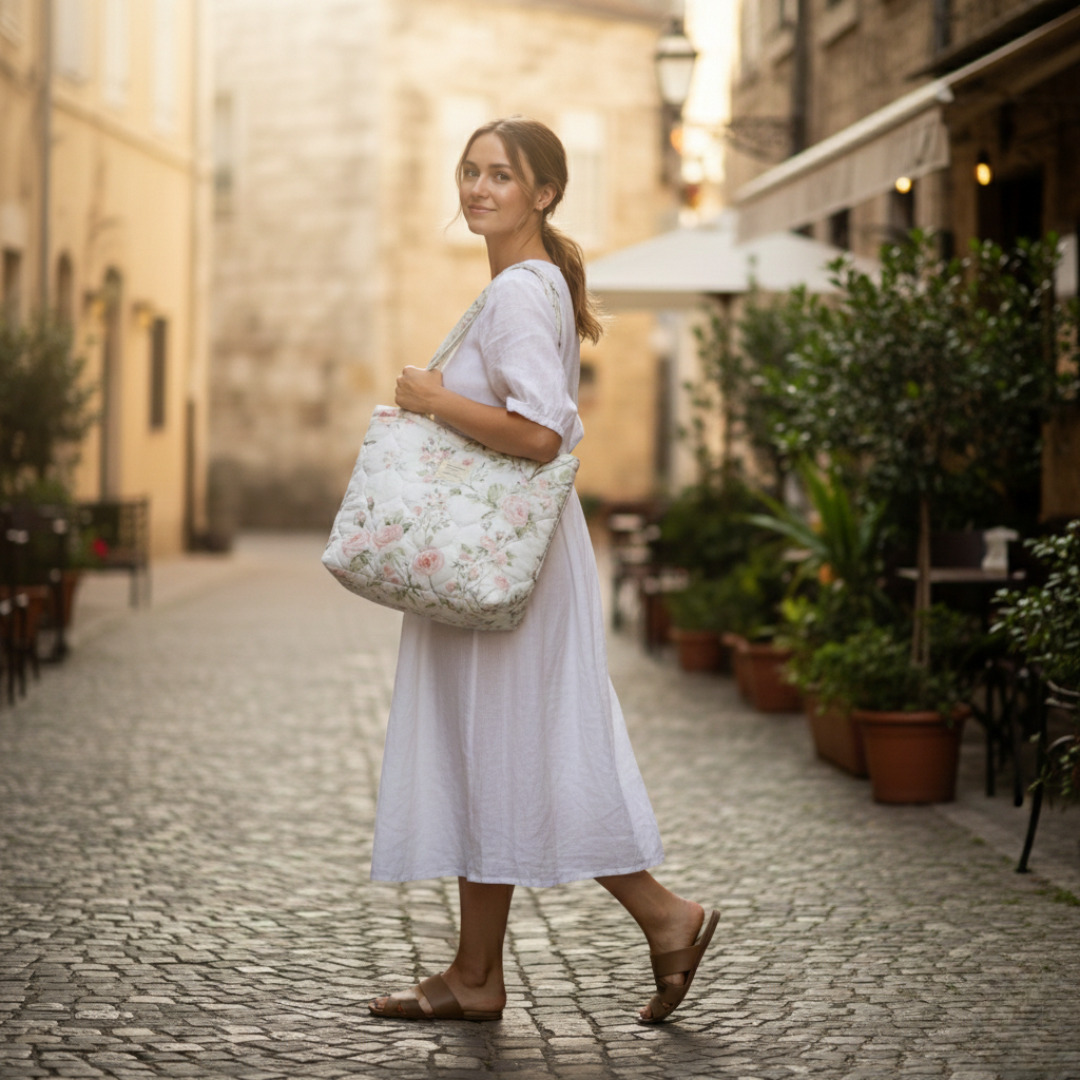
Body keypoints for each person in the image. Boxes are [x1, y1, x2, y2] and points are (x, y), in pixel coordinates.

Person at [367, 116, 718, 1025]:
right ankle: (476, 973)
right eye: (470, 171)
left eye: (502, 176)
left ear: (544, 193)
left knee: (523, 751)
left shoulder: (522, 291)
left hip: (503, 563)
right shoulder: (528, 284)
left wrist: (435, 399)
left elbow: (544, 432)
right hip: (514, 556)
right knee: (496, 754)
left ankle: (666, 914)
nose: (478, 188)